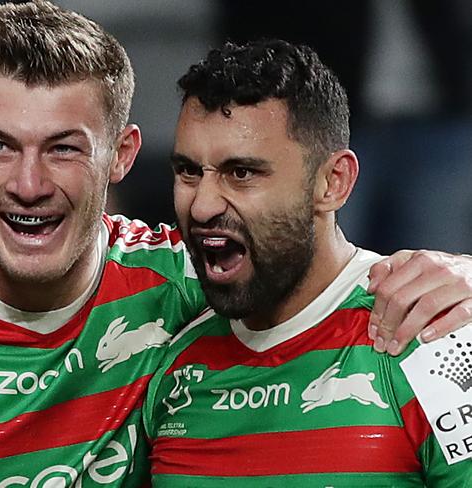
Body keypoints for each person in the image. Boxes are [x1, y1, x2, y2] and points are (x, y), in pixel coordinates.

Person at [0, 2, 469, 487]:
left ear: (121, 156)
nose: (27, 184)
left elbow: (304, 274)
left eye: (64, 149)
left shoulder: (181, 287)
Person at [144, 39, 472, 486]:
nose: (201, 206)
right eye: (188, 171)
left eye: (242, 173)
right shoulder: (164, 359)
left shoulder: (427, 333)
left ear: (332, 183)